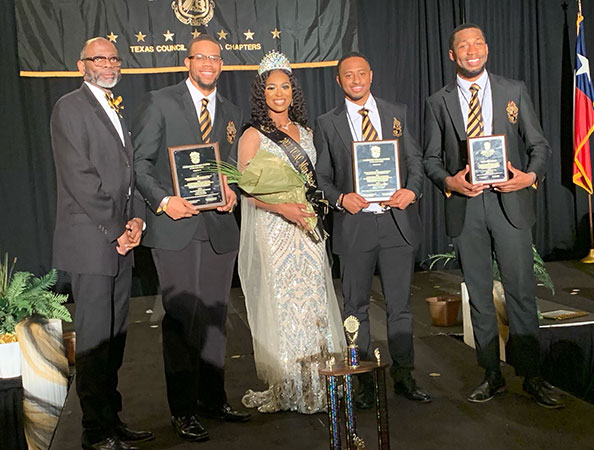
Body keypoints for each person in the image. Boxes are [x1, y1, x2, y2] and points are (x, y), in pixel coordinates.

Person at [423, 23, 564, 408]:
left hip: (510, 205)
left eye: (478, 43)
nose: (472, 50)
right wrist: (450, 181)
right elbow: (431, 160)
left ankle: (532, 376)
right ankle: (491, 374)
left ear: (486, 48)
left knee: (520, 292)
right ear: (452, 55)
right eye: (463, 46)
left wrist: (529, 177)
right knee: (480, 298)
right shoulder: (438, 102)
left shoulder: (513, 90)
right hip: (467, 207)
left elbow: (540, 146)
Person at [132, 34, 249, 442]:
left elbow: (230, 166)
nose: (209, 64)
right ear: (188, 62)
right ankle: (183, 410)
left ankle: (213, 399)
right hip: (175, 228)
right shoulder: (160, 102)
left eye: (215, 58)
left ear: (222, 64)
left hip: (217, 229)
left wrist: (231, 188)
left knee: (216, 316)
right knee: (183, 319)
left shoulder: (232, 111)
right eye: (201, 57)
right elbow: (140, 163)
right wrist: (164, 201)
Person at [51, 37, 152, 450]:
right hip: (92, 242)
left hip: (120, 239)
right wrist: (118, 230)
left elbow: (129, 176)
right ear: (82, 65)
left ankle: (111, 420)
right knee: (94, 341)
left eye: (113, 58)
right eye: (99, 58)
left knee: (115, 338)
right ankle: (94, 432)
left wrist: (137, 221)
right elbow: (81, 178)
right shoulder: (69, 108)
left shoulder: (116, 107)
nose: (108, 64)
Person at [314, 51, 430, 409]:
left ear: (371, 75)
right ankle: (362, 381)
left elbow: (414, 161)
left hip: (396, 224)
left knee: (400, 307)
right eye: (348, 75)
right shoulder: (326, 123)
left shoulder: (397, 114)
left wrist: (412, 189)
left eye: (361, 73)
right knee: (355, 308)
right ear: (339, 81)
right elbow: (321, 176)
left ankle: (405, 375)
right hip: (355, 226)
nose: (355, 80)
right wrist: (340, 198)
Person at [237, 51, 346, 414]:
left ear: (292, 92)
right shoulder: (253, 135)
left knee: (312, 299)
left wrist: (309, 210)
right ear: (261, 93)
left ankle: (318, 381)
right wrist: (282, 208)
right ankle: (290, 385)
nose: (279, 93)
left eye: (285, 86)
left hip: (307, 227)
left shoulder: (307, 132)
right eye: (271, 87)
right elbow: (247, 190)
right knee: (284, 304)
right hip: (276, 228)